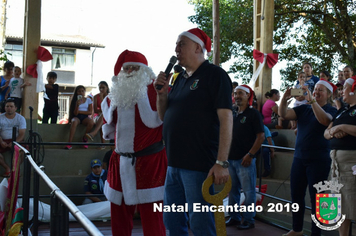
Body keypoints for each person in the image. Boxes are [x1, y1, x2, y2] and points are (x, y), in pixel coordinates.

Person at [154, 28, 233, 235]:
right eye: (176, 45)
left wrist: (222, 162)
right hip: (173, 165)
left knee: (200, 224)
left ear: (198, 47)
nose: (176, 49)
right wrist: (161, 95)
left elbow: (226, 119)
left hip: (199, 166)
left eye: (181, 44)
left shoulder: (215, 75)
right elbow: (164, 116)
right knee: (172, 221)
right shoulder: (179, 78)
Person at [102, 50, 167, 236]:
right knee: (119, 216)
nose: (129, 71)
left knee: (152, 217)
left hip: (149, 162)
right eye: (126, 68)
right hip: (119, 162)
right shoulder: (113, 96)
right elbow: (109, 126)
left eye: (135, 68)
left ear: (145, 71)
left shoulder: (157, 92)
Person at [279, 79, 337, 236]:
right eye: (315, 89)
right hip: (299, 158)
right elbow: (283, 114)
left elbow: (324, 120)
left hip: (319, 160)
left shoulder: (332, 110)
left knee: (317, 198)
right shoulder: (303, 109)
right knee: (296, 195)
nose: (317, 91)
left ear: (329, 94)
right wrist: (284, 99)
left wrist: (312, 101)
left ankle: (315, 233)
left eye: (321, 90)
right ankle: (297, 229)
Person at [225, 85, 264, 230]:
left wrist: (250, 154)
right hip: (231, 159)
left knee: (248, 191)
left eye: (241, 93)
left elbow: (261, 136)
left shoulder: (254, 114)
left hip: (245, 160)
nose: (237, 96)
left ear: (248, 96)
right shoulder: (233, 113)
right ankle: (234, 217)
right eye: (235, 93)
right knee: (233, 190)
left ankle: (248, 219)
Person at [324, 77, 356, 236]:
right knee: (340, 209)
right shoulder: (342, 110)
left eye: (345, 88)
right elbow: (326, 132)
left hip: (351, 166)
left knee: (351, 205)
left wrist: (343, 127)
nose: (342, 91)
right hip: (336, 166)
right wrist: (333, 131)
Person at [0, 99, 26, 177]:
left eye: (11, 106)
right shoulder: (1, 117)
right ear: (4, 108)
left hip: (16, 140)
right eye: (7, 106)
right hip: (2, 140)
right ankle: (7, 168)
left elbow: (22, 134)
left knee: (21, 152)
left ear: (15, 108)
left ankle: (15, 170)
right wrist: (1, 141)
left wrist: (14, 142)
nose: (9, 108)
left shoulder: (21, 118)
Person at [65, 85, 94, 150]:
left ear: (84, 92)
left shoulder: (88, 100)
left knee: (91, 122)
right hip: (76, 117)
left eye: (82, 91)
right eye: (79, 91)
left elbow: (90, 112)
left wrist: (80, 112)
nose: (81, 92)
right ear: (76, 92)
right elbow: (75, 113)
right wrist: (77, 105)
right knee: (74, 122)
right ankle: (69, 143)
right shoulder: (75, 100)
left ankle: (84, 139)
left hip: (85, 117)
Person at [85, 81, 109, 149]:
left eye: (103, 88)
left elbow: (109, 109)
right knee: (102, 121)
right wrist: (103, 110)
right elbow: (95, 110)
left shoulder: (110, 97)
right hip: (97, 117)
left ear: (107, 88)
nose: (101, 89)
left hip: (107, 116)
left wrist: (102, 100)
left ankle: (94, 133)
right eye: (100, 88)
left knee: (103, 115)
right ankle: (103, 144)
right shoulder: (95, 97)